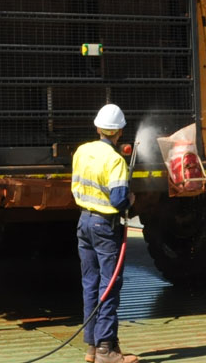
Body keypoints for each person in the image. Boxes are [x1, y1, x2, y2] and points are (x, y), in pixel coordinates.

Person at [71, 104, 139, 363]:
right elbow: (119, 199)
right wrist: (130, 200)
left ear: (98, 127)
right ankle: (105, 351)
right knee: (108, 288)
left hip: (84, 222)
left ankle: (91, 348)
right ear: (119, 132)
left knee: (90, 285)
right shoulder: (115, 161)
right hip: (105, 228)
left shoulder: (82, 151)